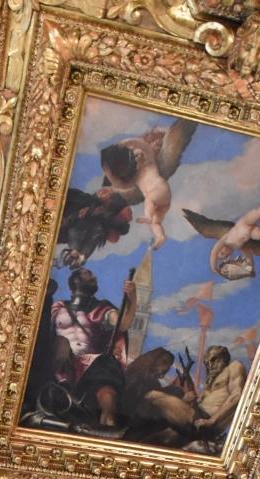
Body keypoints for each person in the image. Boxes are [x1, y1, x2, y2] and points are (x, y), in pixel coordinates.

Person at [51, 267, 136, 427]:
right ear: (75, 281)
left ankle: (107, 426)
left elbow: (123, 325)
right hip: (59, 365)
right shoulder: (57, 308)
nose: (94, 277)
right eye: (89, 274)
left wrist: (132, 297)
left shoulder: (102, 309)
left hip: (93, 365)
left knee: (107, 394)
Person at [102, 128, 173, 248]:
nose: (138, 158)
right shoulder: (134, 178)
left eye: (139, 155)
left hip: (160, 190)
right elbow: (121, 186)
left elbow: (143, 145)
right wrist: (109, 175)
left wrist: (124, 143)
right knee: (155, 222)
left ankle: (148, 217)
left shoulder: (150, 164)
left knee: (149, 201)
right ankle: (160, 236)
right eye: (135, 157)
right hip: (162, 203)